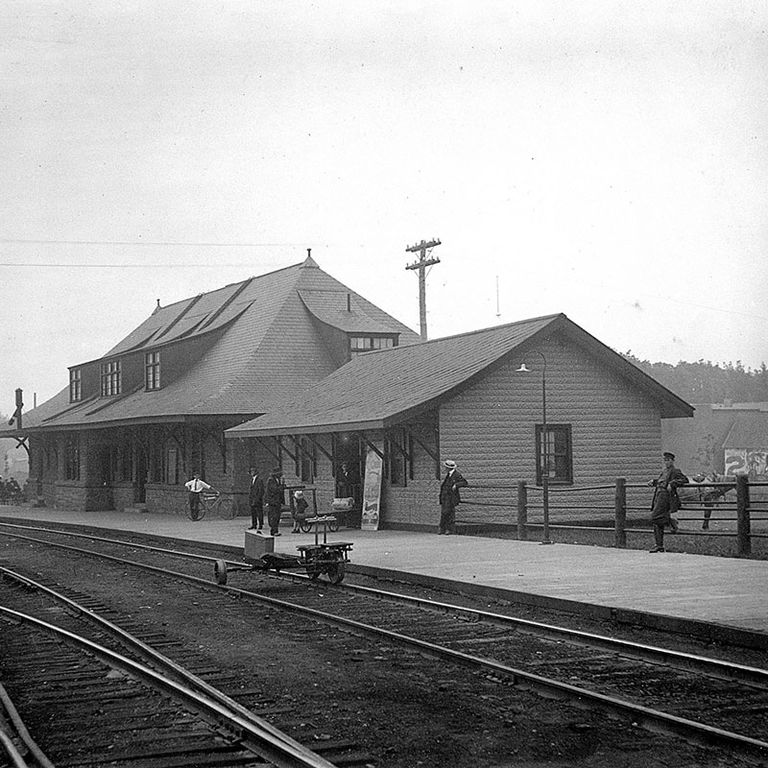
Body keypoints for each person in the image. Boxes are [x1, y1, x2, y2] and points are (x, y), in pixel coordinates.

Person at [647, 452, 688, 552]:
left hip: (666, 497)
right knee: (656, 522)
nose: (666, 462)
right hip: (658, 495)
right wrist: (653, 481)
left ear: (673, 461)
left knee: (654, 517)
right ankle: (659, 545)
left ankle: (670, 522)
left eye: (668, 460)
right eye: (665, 460)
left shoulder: (675, 471)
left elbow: (685, 480)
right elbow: (661, 482)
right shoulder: (664, 471)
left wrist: (673, 483)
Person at [438, 459, 468, 535]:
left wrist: (456, 485)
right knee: (446, 512)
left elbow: (464, 482)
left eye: (446, 467)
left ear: (448, 468)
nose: (445, 469)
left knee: (447, 512)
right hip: (445, 496)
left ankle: (444, 528)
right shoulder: (448, 475)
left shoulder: (456, 475)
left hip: (451, 497)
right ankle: (445, 528)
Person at [265, 467, 285, 536]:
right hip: (273, 501)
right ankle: (273, 531)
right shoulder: (271, 480)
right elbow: (275, 490)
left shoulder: (276, 480)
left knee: (277, 516)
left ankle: (275, 530)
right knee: (274, 516)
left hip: (277, 501)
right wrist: (281, 486)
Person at [248, 466, 264, 531]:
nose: (251, 473)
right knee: (253, 512)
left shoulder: (259, 480)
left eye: (253, 471)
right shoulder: (252, 480)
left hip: (257, 499)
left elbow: (261, 490)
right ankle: (254, 524)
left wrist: (258, 498)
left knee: (259, 512)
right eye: (251, 472)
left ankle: (260, 524)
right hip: (252, 499)